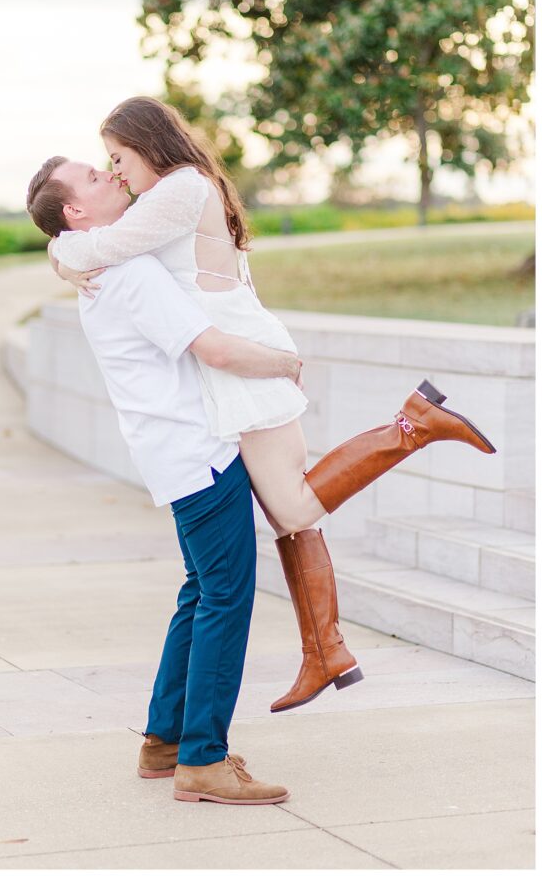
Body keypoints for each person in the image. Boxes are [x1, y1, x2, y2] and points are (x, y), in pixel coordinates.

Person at [29, 98, 496, 714]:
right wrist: (64, 251)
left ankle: (412, 425)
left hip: (241, 356)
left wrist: (62, 255)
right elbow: (104, 239)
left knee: (295, 504)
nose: (115, 172)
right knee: (290, 515)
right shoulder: (176, 191)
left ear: (147, 144)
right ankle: (324, 653)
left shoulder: (178, 190)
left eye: (117, 158)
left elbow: (100, 246)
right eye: (105, 166)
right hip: (235, 355)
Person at [30, 162, 299, 803]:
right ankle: (204, 759)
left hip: (172, 449)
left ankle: (165, 740)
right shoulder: (129, 270)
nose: (109, 174)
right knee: (227, 596)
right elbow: (216, 350)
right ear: (76, 213)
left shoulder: (93, 259)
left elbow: (64, 251)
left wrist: (59, 255)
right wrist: (287, 364)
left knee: (201, 588)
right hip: (197, 450)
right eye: (94, 177)